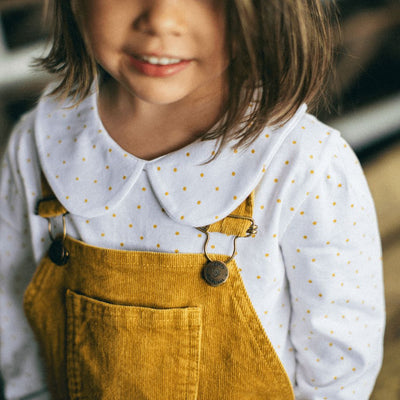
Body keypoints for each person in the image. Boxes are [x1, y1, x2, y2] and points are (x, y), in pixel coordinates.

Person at [0, 0, 385, 399]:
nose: (161, 20)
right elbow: (16, 320)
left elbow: (340, 362)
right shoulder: (40, 142)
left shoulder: (303, 161)